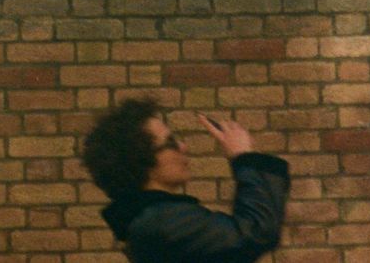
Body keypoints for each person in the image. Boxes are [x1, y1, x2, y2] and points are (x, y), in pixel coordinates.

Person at [79, 98, 291, 263]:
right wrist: (244, 158)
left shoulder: (152, 218)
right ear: (142, 162)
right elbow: (255, 232)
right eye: (170, 142)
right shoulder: (163, 222)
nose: (183, 147)